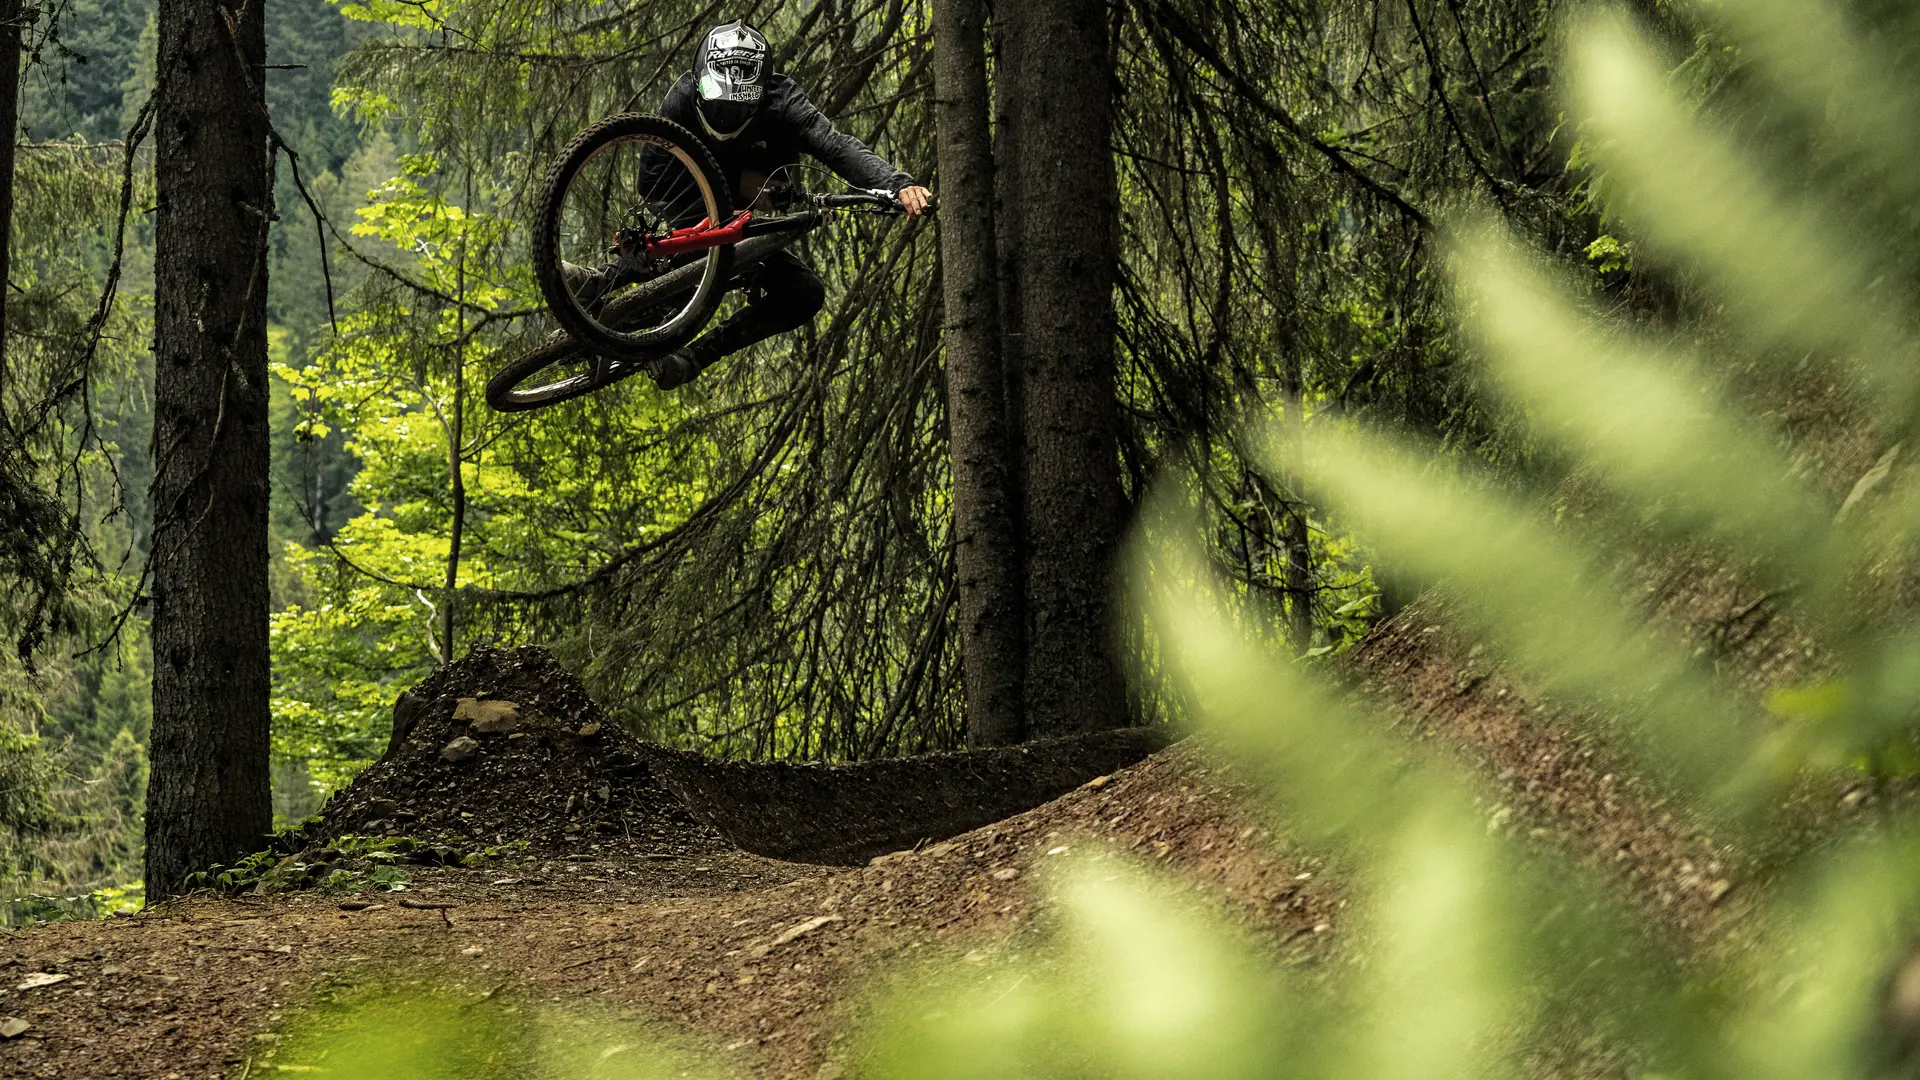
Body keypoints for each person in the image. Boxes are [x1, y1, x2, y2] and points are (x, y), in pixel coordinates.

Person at [642, 20, 932, 390]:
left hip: (741, 225)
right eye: (716, 99)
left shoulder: (783, 103)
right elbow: (651, 180)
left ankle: (691, 359)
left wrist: (896, 184)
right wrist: (732, 188)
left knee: (803, 292)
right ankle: (607, 284)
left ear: (761, 93)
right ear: (700, 82)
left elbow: (835, 145)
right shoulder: (683, 97)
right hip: (690, 209)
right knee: (705, 260)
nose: (726, 114)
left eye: (739, 106)